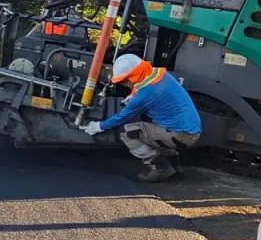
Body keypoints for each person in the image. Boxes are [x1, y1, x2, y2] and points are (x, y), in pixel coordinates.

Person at [81, 53, 201, 182]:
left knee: (129, 133)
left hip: (181, 136)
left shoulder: (144, 94)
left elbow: (122, 117)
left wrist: (99, 126)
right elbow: (141, 86)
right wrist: (133, 96)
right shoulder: (159, 74)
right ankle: (176, 166)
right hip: (192, 130)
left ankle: (160, 168)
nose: (125, 84)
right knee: (152, 132)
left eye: (125, 81)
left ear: (133, 77)